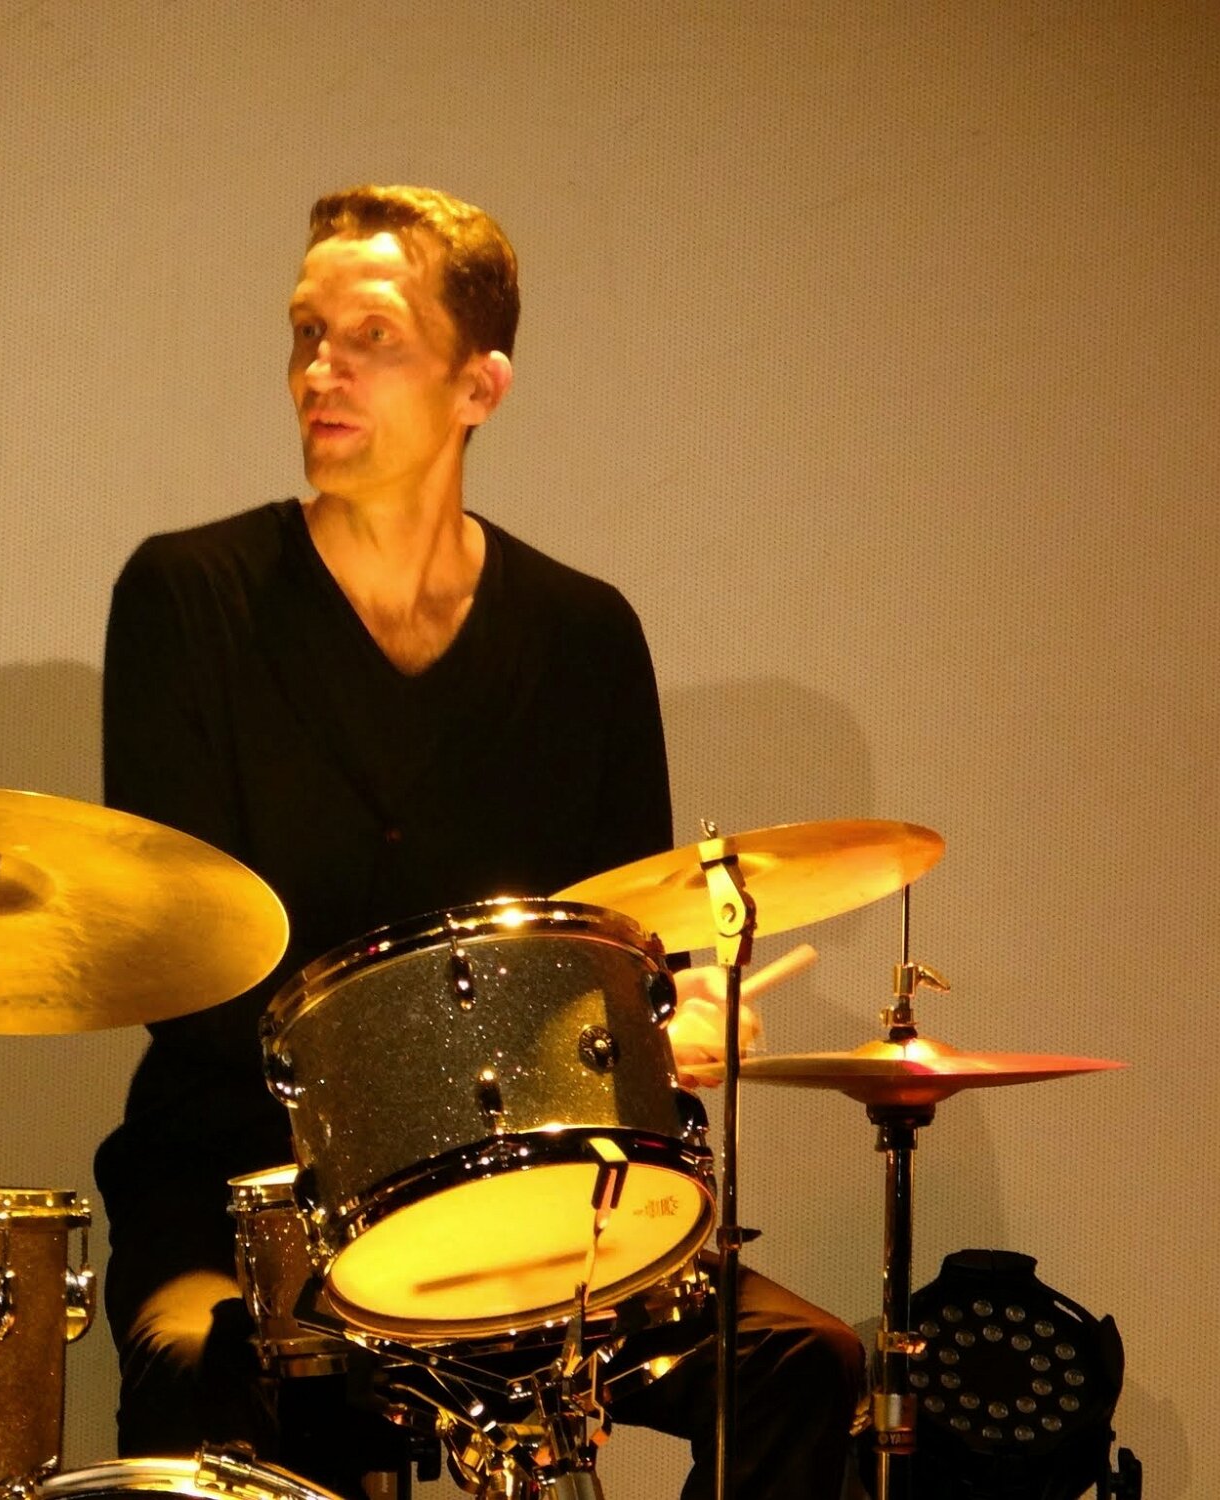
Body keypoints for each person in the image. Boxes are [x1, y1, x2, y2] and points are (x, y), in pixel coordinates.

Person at [92, 184, 864, 1499]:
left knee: (803, 1362)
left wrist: (663, 1022)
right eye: (306, 332)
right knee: (204, 1372)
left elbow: (623, 941)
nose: (320, 370)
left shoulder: (584, 637)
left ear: (479, 386)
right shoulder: (189, 597)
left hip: (530, 1206)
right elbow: (193, 979)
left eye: (371, 339)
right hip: (250, 1198)